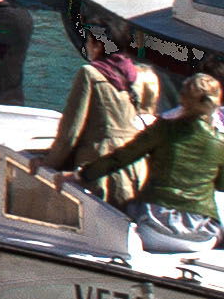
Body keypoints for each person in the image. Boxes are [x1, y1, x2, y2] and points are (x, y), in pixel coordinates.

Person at [68, 67, 224, 253]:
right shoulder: (223, 143)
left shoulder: (163, 128)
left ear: (182, 99)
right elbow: (222, 186)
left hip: (154, 226)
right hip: (202, 235)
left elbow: (120, 158)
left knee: (118, 209)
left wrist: (81, 175)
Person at [49, 19, 159, 206]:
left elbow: (71, 130)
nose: (87, 46)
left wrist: (50, 162)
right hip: (135, 165)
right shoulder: (142, 76)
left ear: (98, 45)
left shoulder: (90, 74)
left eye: (88, 41)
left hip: (100, 165)